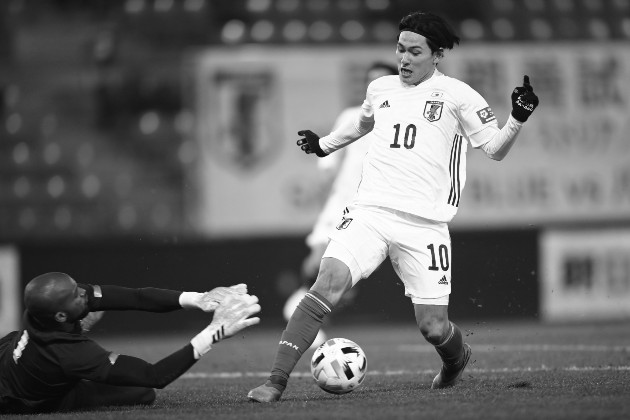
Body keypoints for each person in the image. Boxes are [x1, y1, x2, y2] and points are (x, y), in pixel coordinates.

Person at [248, 10, 539, 402]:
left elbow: (494, 149)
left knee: (434, 328)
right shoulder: (380, 89)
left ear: (436, 55)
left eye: (414, 51)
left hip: (425, 224)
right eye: (400, 49)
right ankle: (275, 382)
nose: (404, 58)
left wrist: (517, 119)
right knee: (325, 284)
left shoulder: (459, 95)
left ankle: (456, 359)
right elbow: (362, 124)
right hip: (370, 211)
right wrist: (324, 144)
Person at [0, 272, 260, 414]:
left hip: (9, 356)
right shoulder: (69, 353)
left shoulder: (41, 313)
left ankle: (79, 327)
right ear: (60, 316)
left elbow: (136, 298)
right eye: (75, 295)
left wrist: (200, 298)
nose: (83, 291)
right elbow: (154, 375)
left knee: (139, 394)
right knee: (142, 392)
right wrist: (213, 332)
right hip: (23, 397)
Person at [283, 61, 399, 349]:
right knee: (314, 267)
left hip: (379, 211)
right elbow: (331, 164)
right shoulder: (352, 115)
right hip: (341, 207)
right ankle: (307, 322)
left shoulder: (405, 118)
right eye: (369, 81)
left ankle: (315, 316)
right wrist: (327, 207)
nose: (373, 87)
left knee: (341, 282)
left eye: (380, 81)